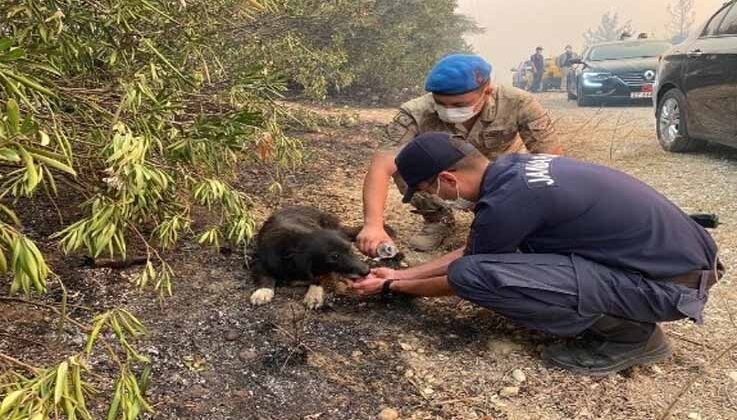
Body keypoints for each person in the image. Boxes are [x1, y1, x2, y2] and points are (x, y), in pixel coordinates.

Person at [351, 132, 722, 376]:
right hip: (681, 265)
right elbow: (476, 248)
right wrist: (399, 275)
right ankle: (624, 317)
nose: (435, 200)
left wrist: (392, 289)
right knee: (502, 256)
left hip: (670, 287)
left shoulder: (508, 201)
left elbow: (464, 271)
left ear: (448, 179)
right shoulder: (515, 170)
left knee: (472, 277)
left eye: (430, 191)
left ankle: (631, 337)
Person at [356, 54, 563, 256]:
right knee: (406, 164)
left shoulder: (519, 103)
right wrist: (373, 225)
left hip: (496, 180)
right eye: (441, 103)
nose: (448, 110)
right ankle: (437, 218)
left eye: (459, 105)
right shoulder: (416, 111)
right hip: (444, 178)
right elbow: (382, 165)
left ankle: (497, 217)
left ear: (487, 91)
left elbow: (550, 160)